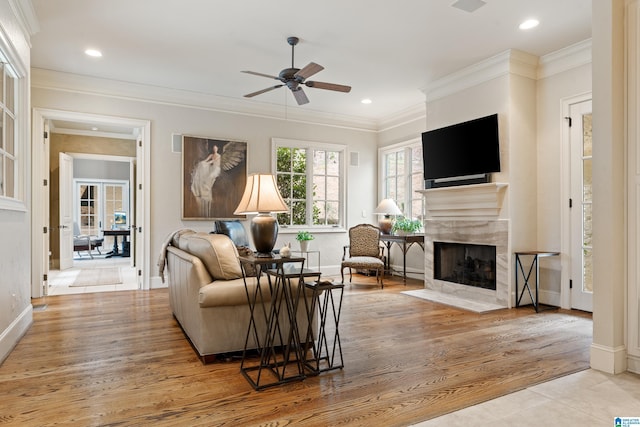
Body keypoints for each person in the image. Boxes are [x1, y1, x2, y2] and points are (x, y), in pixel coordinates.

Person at [191, 145, 222, 217]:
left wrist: (208, 163)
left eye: (216, 148)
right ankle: (202, 189)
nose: (215, 149)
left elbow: (214, 161)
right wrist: (202, 163)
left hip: (216, 168)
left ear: (217, 149)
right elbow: (205, 160)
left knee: (210, 176)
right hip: (211, 167)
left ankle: (206, 189)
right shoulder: (211, 155)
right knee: (202, 164)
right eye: (214, 148)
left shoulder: (218, 155)